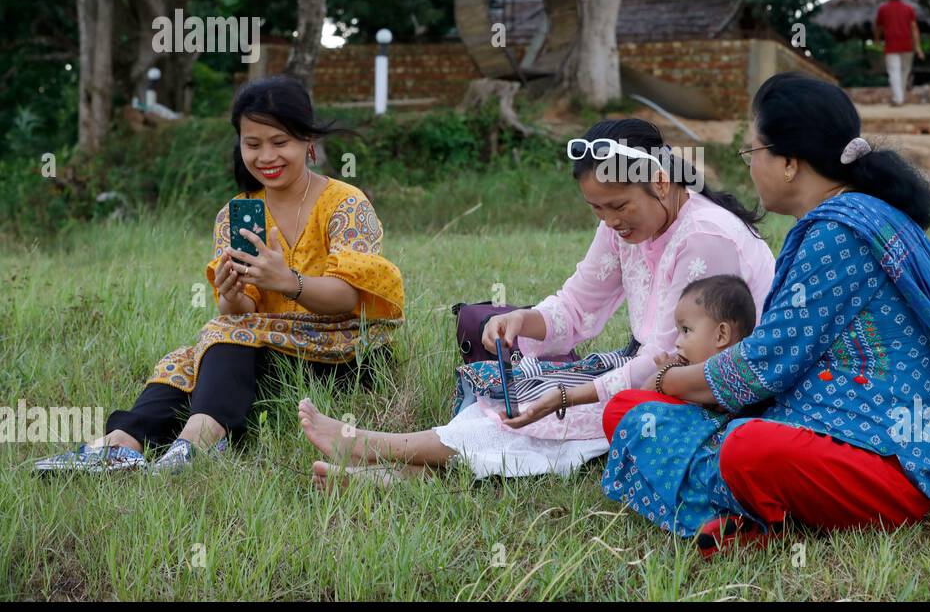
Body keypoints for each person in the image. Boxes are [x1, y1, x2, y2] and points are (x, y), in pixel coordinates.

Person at [600, 73, 930, 554]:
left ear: (790, 162)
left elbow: (762, 367)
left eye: (753, 151)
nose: (750, 164)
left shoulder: (837, 234)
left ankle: (741, 503)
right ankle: (749, 509)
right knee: (624, 409)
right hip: (818, 423)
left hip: (884, 460)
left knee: (746, 447)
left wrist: (669, 380)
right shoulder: (852, 215)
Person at [297, 119, 775, 487]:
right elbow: (577, 307)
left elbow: (667, 365)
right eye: (596, 209)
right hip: (650, 369)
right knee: (513, 397)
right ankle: (395, 472)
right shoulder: (624, 227)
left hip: (701, 393)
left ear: (662, 183)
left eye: (620, 206)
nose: (610, 222)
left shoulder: (705, 240)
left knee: (552, 412)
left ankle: (373, 448)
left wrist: (568, 395)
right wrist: (523, 320)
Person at [34, 76, 405, 475]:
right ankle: (124, 443)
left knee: (221, 341)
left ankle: (199, 440)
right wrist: (231, 294)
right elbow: (240, 310)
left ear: (307, 142)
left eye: (280, 143)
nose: (266, 156)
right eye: (253, 144)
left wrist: (288, 281)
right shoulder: (237, 213)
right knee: (195, 355)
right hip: (270, 345)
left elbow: (350, 297)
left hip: (345, 351)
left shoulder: (346, 204)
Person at [872, 0, 925, 107]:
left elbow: (878, 27)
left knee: (893, 72)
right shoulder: (908, 9)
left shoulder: (883, 9)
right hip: (907, 45)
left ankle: (898, 98)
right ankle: (900, 98)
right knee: (904, 72)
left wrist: (877, 40)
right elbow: (914, 29)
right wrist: (918, 47)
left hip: (891, 46)